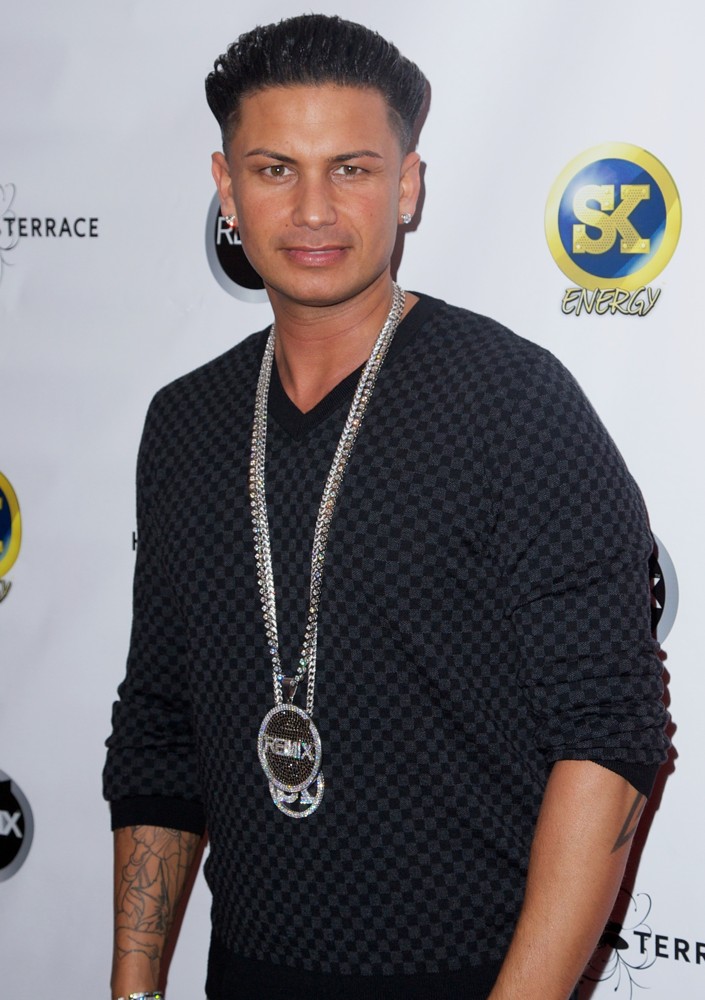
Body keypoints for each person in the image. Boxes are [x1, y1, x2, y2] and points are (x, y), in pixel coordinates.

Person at [103, 14, 669, 1000]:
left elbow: (607, 732)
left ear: (407, 185)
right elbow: (161, 724)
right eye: (275, 169)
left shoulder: (510, 400)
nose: (313, 209)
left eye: (352, 169)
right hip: (245, 974)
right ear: (226, 188)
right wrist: (135, 986)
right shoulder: (185, 423)